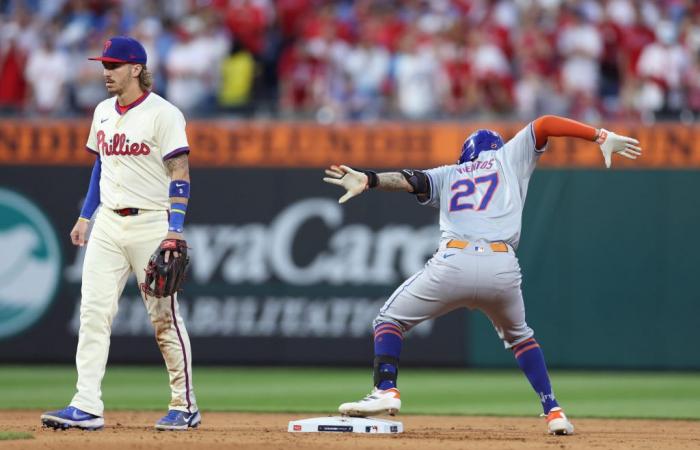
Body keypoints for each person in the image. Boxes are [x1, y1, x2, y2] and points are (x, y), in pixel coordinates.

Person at [323, 116, 641, 435]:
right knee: (521, 338)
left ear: (467, 153)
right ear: (495, 148)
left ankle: (386, 390)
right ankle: (554, 411)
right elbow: (545, 123)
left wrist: (369, 179)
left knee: (388, 321)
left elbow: (410, 180)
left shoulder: (449, 173)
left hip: (454, 261)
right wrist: (599, 136)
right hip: (501, 265)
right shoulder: (509, 157)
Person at [40, 36, 200, 431]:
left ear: (135, 69)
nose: (105, 72)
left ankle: (185, 405)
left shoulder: (164, 113)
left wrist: (174, 231)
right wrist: (85, 216)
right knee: (93, 313)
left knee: (164, 318)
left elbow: (180, 172)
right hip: (109, 223)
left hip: (151, 222)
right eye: (104, 65)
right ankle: (86, 405)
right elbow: (101, 166)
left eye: (112, 65)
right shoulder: (102, 112)